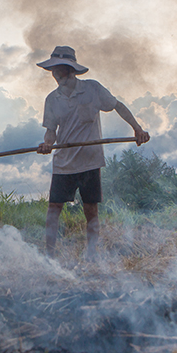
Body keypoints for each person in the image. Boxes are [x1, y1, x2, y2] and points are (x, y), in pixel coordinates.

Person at [35, 45, 150, 260]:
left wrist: (137, 128)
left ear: (70, 70)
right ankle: (49, 256)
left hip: (90, 161)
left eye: (60, 70)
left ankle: (92, 254)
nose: (56, 75)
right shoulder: (52, 100)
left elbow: (117, 106)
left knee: (90, 210)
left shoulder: (92, 89)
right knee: (54, 208)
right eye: (54, 71)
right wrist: (46, 145)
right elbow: (51, 132)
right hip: (64, 163)